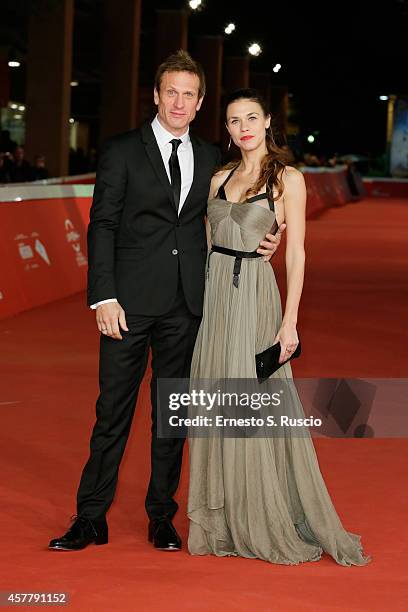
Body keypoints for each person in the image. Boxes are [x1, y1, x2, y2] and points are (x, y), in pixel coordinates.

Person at [49, 52, 284, 552]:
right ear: (156, 96)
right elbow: (103, 225)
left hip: (187, 305)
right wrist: (103, 297)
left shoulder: (209, 161)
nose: (179, 102)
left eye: (189, 94)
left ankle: (162, 516)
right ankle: (90, 516)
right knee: (113, 411)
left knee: (171, 415)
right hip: (127, 305)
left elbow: (235, 212)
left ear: (199, 104)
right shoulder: (120, 151)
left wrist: (270, 238)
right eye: (170, 92)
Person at [187, 88, 371, 566]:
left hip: (255, 297)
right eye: (233, 120)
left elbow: (297, 253)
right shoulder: (219, 177)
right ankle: (222, 519)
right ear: (225, 129)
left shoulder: (288, 178)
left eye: (252, 117)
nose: (243, 127)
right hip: (217, 300)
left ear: (268, 121)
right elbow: (210, 242)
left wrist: (289, 324)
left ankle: (261, 515)